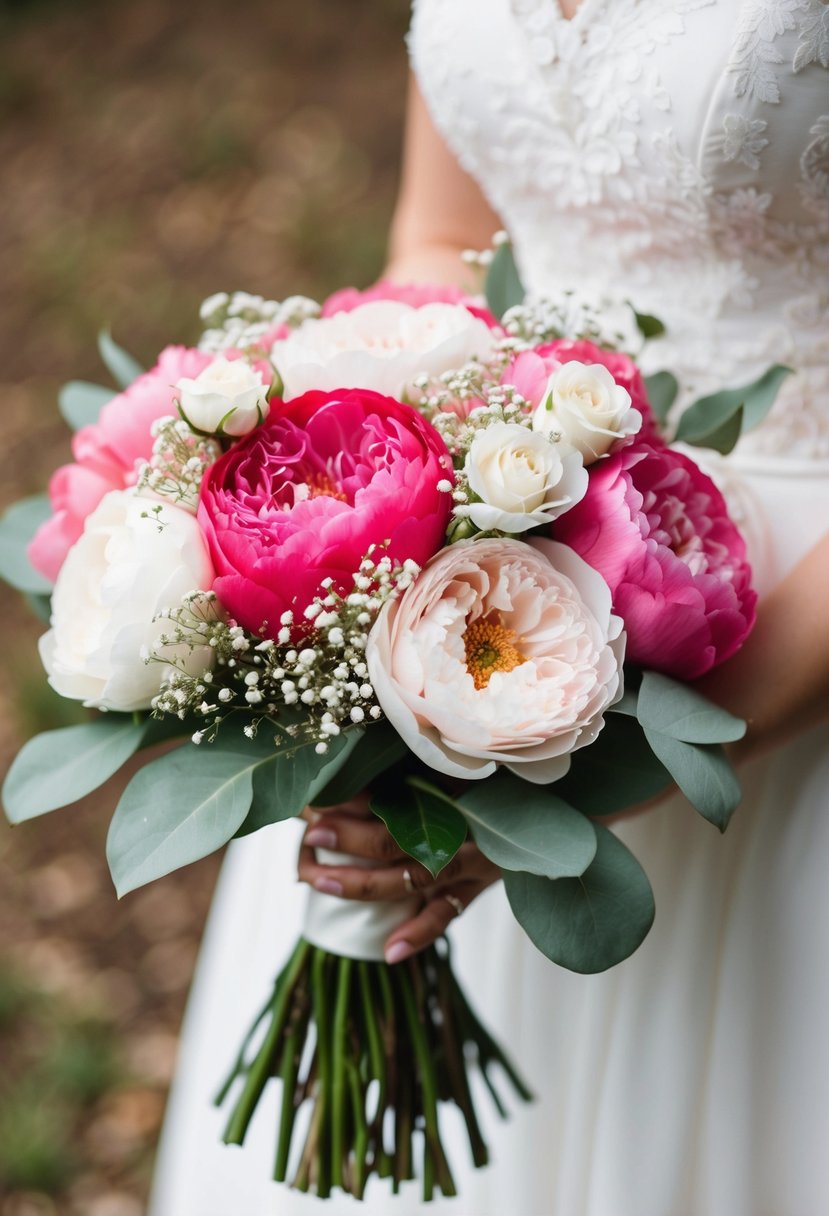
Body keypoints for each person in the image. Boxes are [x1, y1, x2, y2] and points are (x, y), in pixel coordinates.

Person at [150, 2, 829, 1213]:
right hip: (488, 550)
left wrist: (603, 772)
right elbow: (447, 234)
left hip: (781, 628)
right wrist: (370, 528)